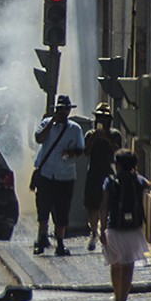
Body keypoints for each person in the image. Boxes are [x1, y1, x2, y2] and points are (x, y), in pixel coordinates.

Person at [32, 94, 85, 256]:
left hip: (65, 176)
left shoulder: (75, 129)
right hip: (47, 174)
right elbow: (39, 138)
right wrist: (51, 123)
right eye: (59, 110)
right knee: (43, 208)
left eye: (64, 110)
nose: (62, 113)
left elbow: (80, 149)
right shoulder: (46, 124)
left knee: (62, 210)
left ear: (69, 111)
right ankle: (41, 238)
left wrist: (70, 152)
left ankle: (60, 242)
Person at [99, 148, 150, 301]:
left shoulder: (110, 180)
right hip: (133, 230)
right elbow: (150, 185)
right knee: (128, 266)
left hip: (114, 227)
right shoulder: (138, 179)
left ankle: (117, 296)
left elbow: (104, 206)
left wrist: (101, 229)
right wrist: (136, 174)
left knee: (115, 264)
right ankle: (123, 299)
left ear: (118, 164)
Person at [85, 102, 123, 251]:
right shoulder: (90, 134)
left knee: (105, 205)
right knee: (92, 205)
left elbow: (118, 151)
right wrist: (94, 139)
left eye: (104, 118)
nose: (102, 120)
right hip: (93, 172)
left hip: (108, 172)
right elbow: (86, 152)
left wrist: (106, 139)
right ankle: (93, 231)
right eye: (100, 117)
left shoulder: (115, 134)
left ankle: (104, 232)